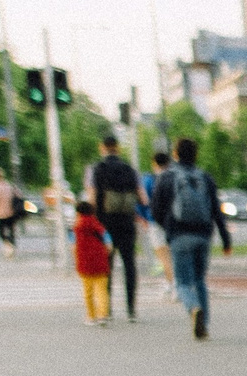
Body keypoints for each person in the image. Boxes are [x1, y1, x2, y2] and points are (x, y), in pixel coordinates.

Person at [151, 136, 233, 340]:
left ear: (175, 154)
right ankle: (203, 325)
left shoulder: (167, 177)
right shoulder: (204, 177)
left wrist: (168, 226)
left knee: (183, 283)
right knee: (199, 280)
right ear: (196, 155)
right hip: (203, 235)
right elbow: (216, 209)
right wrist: (225, 239)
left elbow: (155, 209)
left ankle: (194, 308)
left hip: (179, 235)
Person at [85, 134, 145, 322]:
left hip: (105, 224)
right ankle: (131, 310)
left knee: (107, 266)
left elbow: (92, 199)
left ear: (102, 147)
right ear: (117, 148)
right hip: (127, 222)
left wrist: (92, 219)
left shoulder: (97, 169)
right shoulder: (130, 169)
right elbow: (143, 198)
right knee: (129, 264)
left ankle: (107, 309)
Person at [73, 199, 113, 325]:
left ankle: (91, 317)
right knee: (102, 290)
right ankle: (103, 315)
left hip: (84, 263)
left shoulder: (76, 228)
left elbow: (73, 246)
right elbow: (108, 244)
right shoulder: (98, 226)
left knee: (88, 292)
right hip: (100, 262)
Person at [146, 148, 178, 299]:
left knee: (164, 256)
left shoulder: (150, 180)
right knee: (173, 254)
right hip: (174, 221)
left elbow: (143, 201)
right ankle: (172, 282)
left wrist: (143, 217)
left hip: (155, 222)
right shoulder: (176, 177)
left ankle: (174, 285)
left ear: (154, 163)